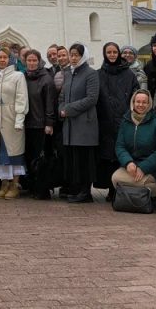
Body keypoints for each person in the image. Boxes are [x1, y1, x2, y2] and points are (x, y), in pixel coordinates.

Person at [112, 89, 156, 204]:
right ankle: (141, 194)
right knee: (115, 178)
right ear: (133, 103)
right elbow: (120, 146)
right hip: (133, 165)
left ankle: (154, 192)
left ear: (149, 104)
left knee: (140, 182)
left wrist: (143, 167)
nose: (140, 105)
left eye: (144, 102)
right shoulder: (126, 122)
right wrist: (128, 162)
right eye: (138, 101)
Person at [95, 42, 140, 199]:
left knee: (121, 154)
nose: (112, 55)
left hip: (124, 119)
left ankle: (121, 187)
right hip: (104, 120)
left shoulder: (128, 74)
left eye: (115, 52)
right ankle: (109, 188)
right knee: (107, 156)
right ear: (105, 54)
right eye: (109, 52)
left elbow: (136, 95)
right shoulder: (99, 74)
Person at [58, 43, 99, 203]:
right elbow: (62, 95)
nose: (73, 58)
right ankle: (75, 189)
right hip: (70, 124)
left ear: (83, 56)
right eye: (71, 55)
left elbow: (91, 98)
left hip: (84, 124)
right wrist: (61, 108)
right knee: (73, 159)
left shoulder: (91, 73)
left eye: (77, 55)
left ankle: (85, 192)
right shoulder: (68, 73)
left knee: (84, 159)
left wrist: (68, 109)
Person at [0, 48, 28, 199]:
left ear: (10, 59)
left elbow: (21, 99)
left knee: (14, 154)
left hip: (12, 120)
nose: (2, 60)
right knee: (1, 154)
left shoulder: (18, 76)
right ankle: (4, 184)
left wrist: (19, 120)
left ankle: (14, 185)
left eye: (5, 57)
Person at [22, 50, 56, 199]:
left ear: (39, 61)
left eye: (34, 60)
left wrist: (49, 123)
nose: (31, 63)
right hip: (27, 125)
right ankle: (31, 186)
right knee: (29, 158)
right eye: (29, 60)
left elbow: (50, 103)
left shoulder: (46, 79)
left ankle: (42, 189)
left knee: (41, 159)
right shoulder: (23, 77)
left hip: (41, 125)